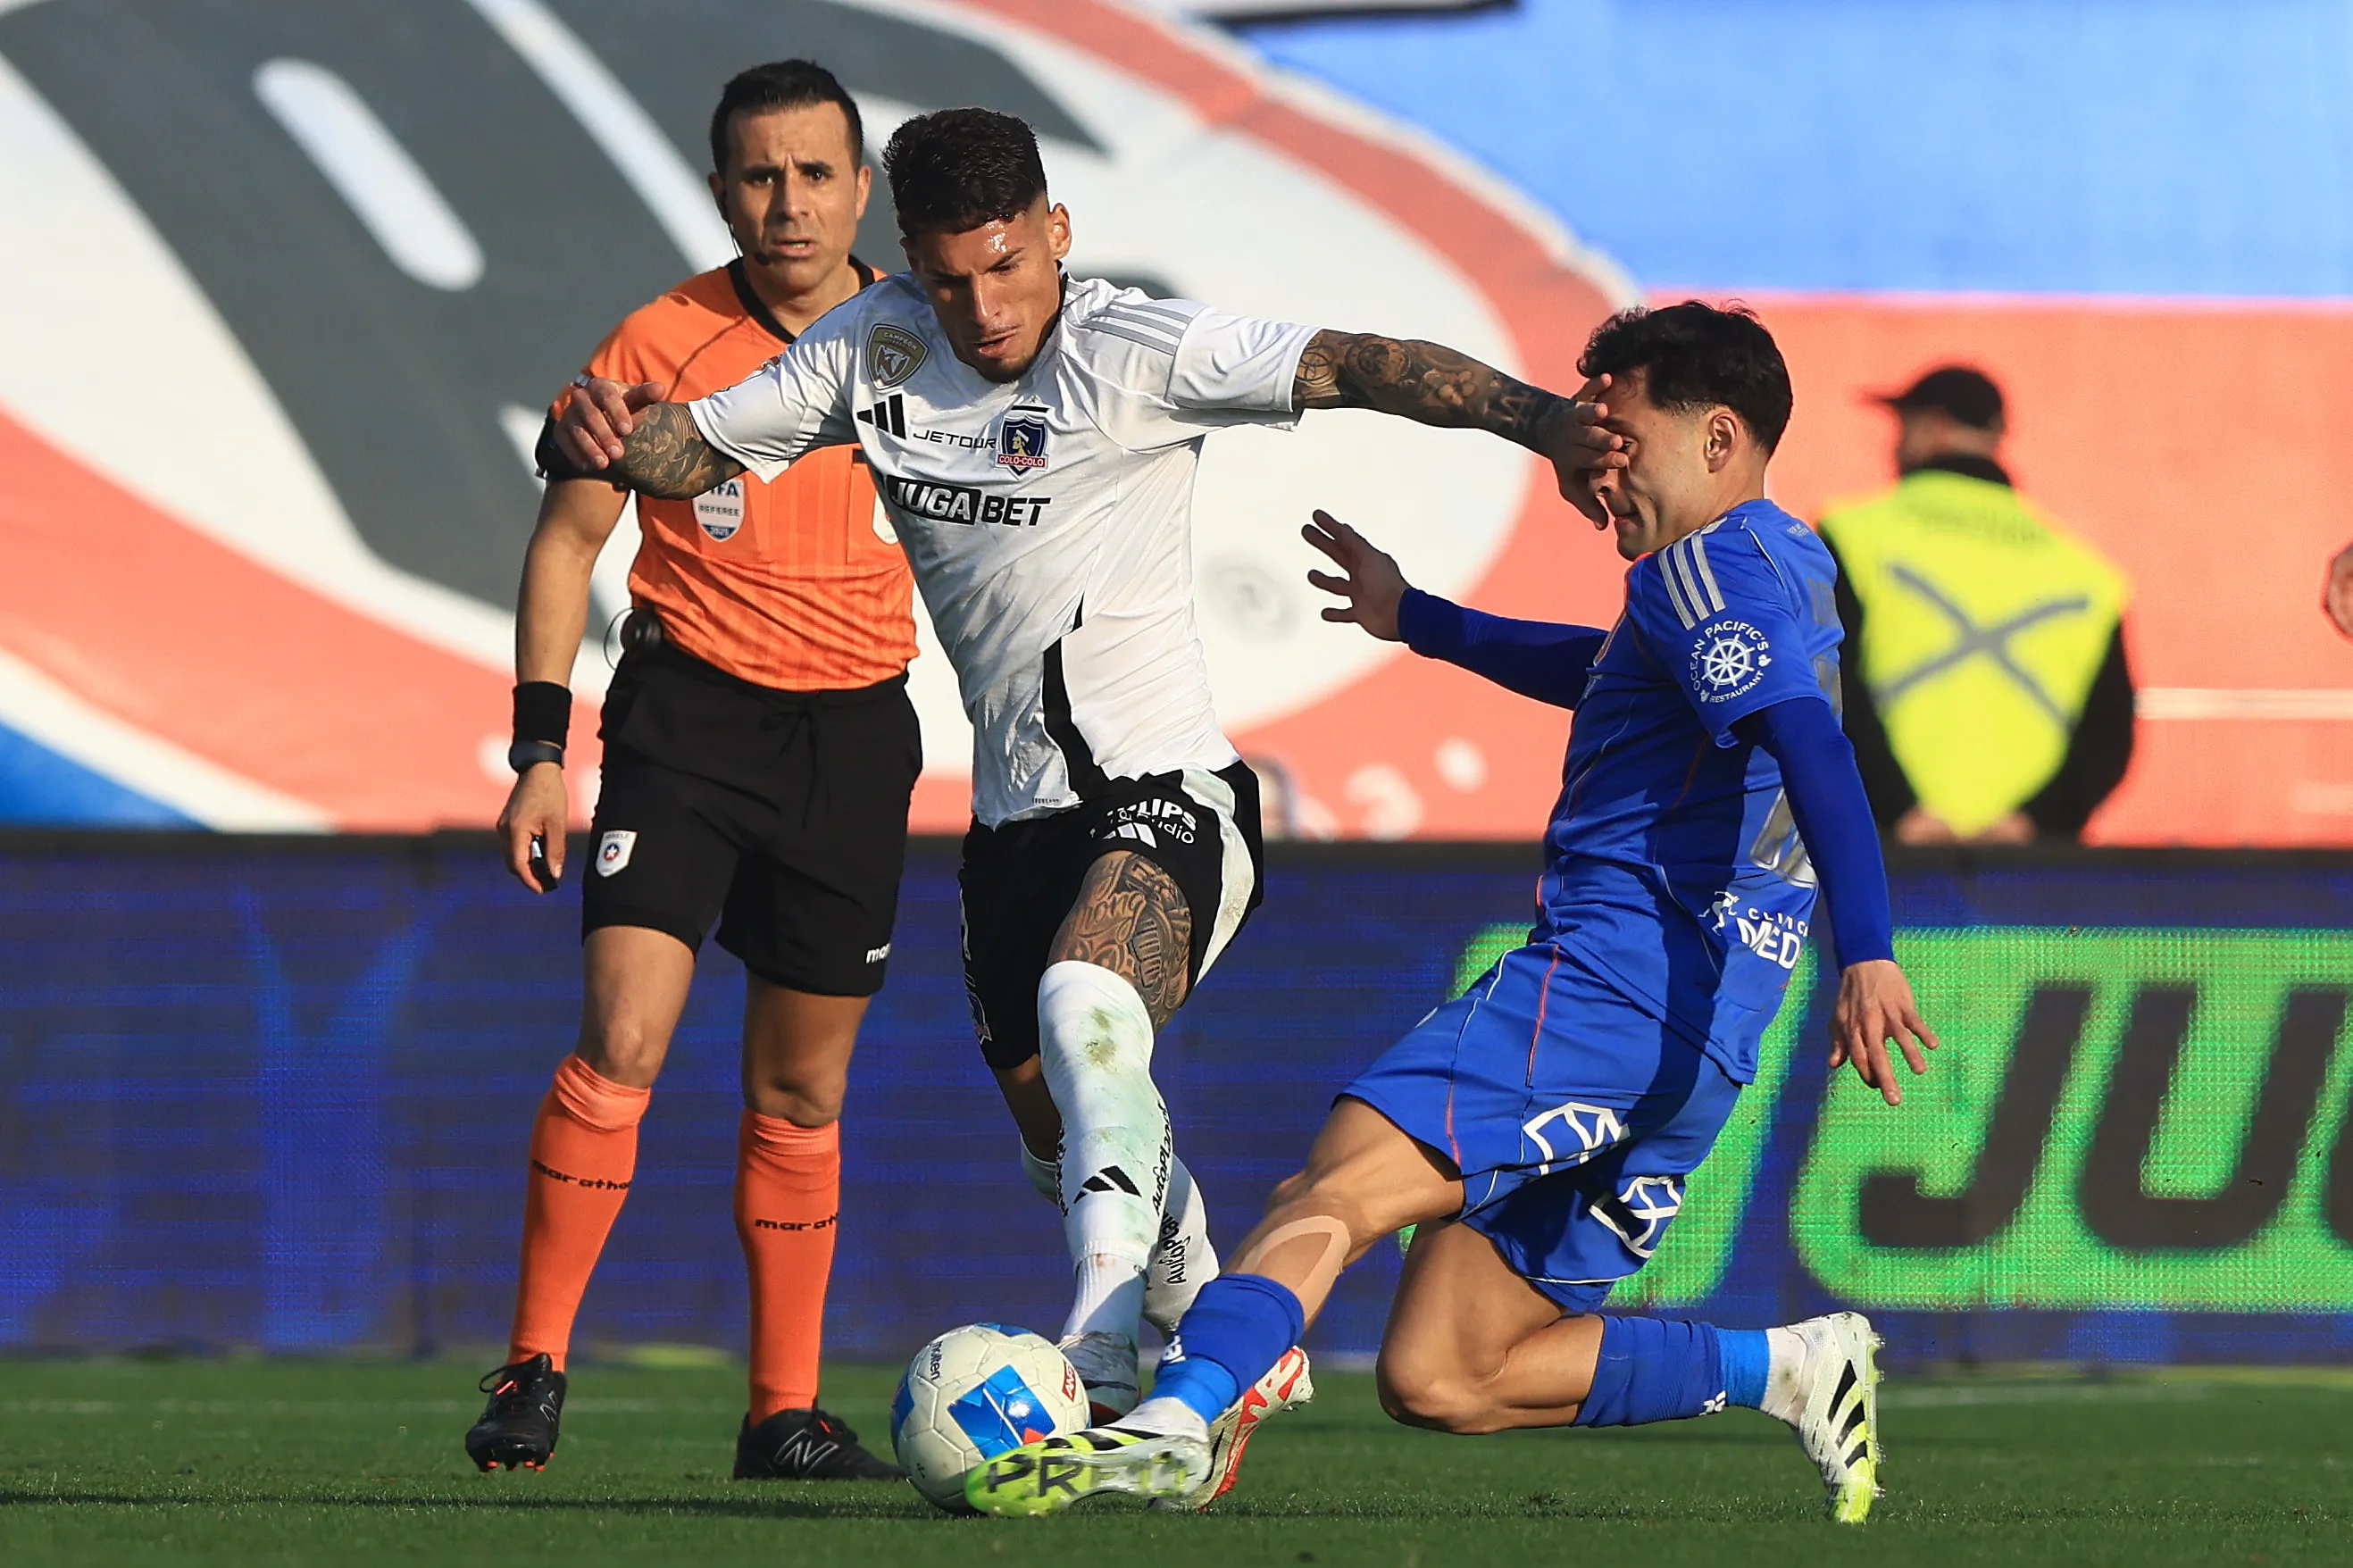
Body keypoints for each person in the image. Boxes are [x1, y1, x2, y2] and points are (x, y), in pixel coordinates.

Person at [550, 105, 1624, 1507]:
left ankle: (1099, 1354)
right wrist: (603, 435)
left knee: (1083, 1006)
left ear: (1055, 233)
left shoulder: (1136, 352)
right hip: (1013, 831)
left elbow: (1361, 363)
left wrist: (1543, 424)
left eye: (1007, 266)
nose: (984, 309)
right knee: (1062, 1128)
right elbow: (692, 452)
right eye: (950, 280)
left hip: (1168, 792)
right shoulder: (868, 352)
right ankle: (1210, 1335)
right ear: (911, 266)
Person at [964, 304, 1936, 1525]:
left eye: (1622, 435)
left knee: (1329, 1195)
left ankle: (1176, 1419)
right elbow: (1611, 677)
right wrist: (1419, 619)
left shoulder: (1704, 563)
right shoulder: (1782, 562)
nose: (1599, 468)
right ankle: (1789, 1366)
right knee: (1446, 1373)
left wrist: (1870, 953)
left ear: (1717, 436)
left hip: (1605, 990)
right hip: (1703, 1042)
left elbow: (1813, 748)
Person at [465, 61, 919, 1481]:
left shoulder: (928, 338)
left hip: (855, 737)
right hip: (687, 724)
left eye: (814, 172)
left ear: (861, 188)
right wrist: (540, 752)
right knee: (624, 1042)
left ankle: (780, 1414)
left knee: (801, 1098)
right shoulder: (658, 341)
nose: (789, 203)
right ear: (720, 192)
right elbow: (564, 543)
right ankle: (532, 1368)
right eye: (759, 176)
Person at [1821, 366, 2134, 846]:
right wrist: (2032, 824)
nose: (1896, 445)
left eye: (1903, 427)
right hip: (2026, 868)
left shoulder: (1853, 535)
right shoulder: (2087, 573)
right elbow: (2110, 734)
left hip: (1880, 850)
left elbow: (1824, 679)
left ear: (1932, 426)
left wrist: (1899, 811)